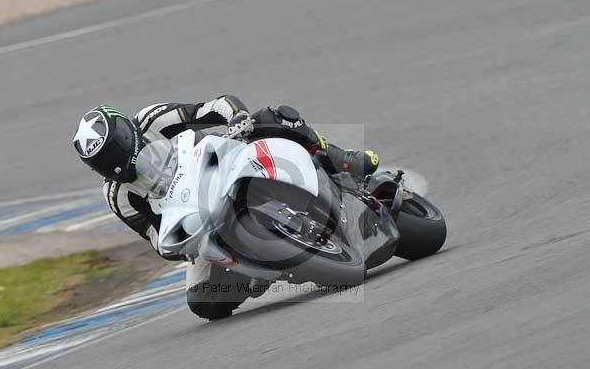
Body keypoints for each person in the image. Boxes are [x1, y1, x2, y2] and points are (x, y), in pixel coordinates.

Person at [72, 95, 379, 306]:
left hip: (219, 160)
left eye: (114, 150)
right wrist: (178, 249)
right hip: (196, 214)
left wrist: (236, 117)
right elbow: (154, 235)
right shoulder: (118, 195)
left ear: (125, 133)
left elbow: (211, 107)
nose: (113, 163)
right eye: (103, 161)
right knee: (203, 302)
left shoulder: (153, 119)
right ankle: (253, 270)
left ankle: (342, 158)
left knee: (270, 118)